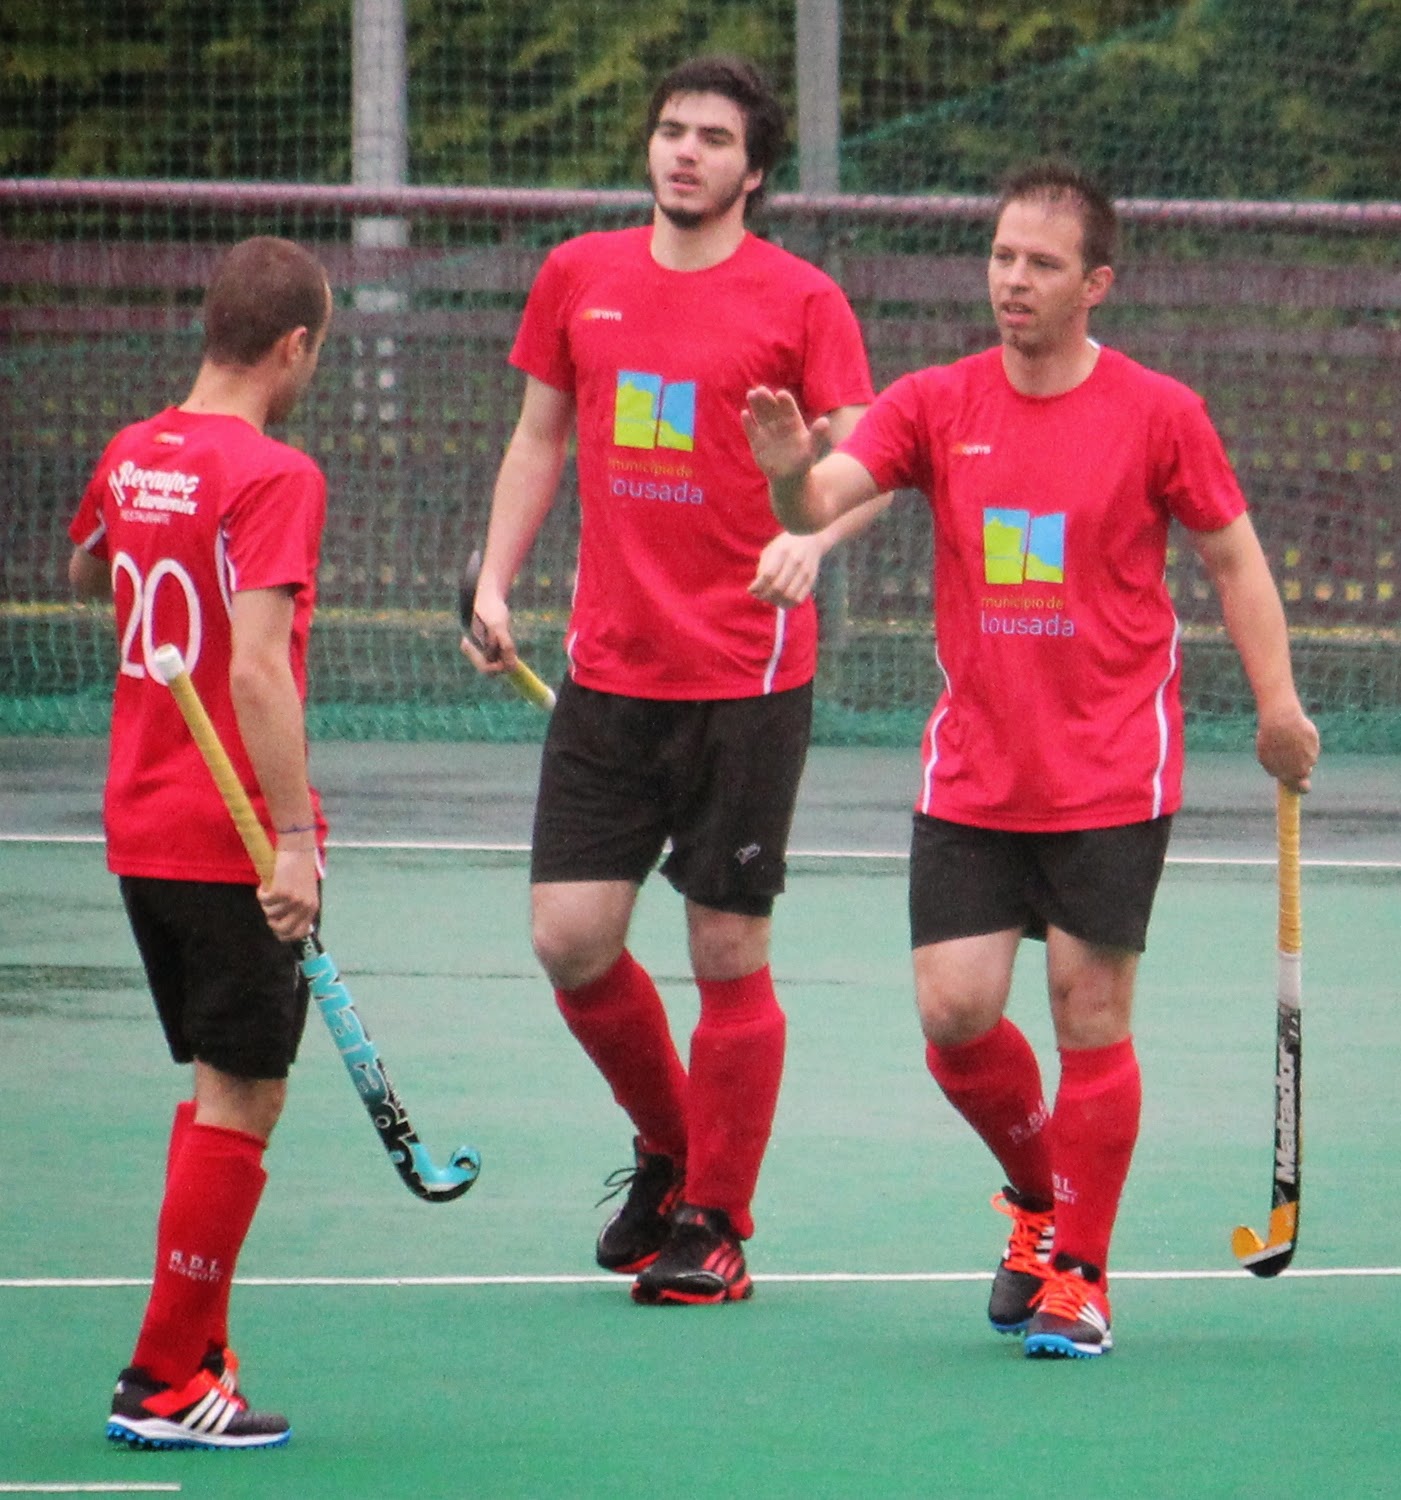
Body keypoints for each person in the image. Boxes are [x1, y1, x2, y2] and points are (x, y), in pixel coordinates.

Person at [742, 161, 1319, 1357]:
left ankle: (1083, 1275)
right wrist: (789, 468)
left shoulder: (1161, 412)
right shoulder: (937, 401)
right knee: (957, 1018)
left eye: (1042, 263)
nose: (1013, 279)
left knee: (1088, 1010)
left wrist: (1279, 705)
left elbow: (1234, 562)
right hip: (975, 773)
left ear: (1095, 284)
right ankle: (1041, 1197)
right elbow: (815, 510)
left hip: (1111, 767)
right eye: (1002, 256)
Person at [463, 54, 887, 1305]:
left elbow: (865, 453)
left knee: (725, 951)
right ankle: (667, 1148)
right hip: (610, 671)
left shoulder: (803, 300)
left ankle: (716, 1217)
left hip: (747, 681)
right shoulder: (579, 278)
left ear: (754, 169)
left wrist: (806, 525)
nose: (683, 151)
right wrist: (494, 582)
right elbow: (540, 437)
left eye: (711, 137)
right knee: (571, 940)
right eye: (669, 131)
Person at [67, 236, 333, 1443]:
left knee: (219, 1087)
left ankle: (201, 1344)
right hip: (224, 831)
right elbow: (262, 670)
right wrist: (291, 837)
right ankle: (166, 1376)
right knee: (246, 1096)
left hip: (139, 824)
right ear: (294, 346)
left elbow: (87, 571)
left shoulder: (135, 452)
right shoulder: (274, 472)